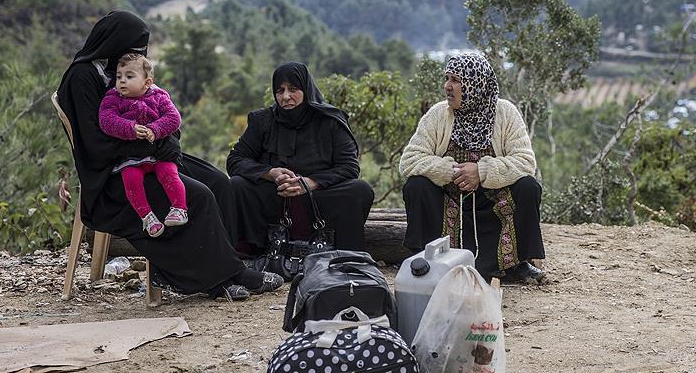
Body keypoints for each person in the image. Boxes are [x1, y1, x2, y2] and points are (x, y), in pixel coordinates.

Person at [56, 10, 282, 300]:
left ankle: (228, 267)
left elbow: (154, 108)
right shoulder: (82, 77)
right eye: (134, 49)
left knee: (218, 182)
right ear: (115, 42)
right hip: (113, 175)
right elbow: (95, 142)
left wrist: (167, 139)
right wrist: (150, 146)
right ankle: (217, 279)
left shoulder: (113, 69)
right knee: (198, 195)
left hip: (148, 154)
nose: (138, 56)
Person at [399, 53, 547, 283]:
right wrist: (450, 171)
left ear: (475, 85)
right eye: (447, 79)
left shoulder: (506, 113)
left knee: (528, 186)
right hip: (450, 202)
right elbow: (409, 161)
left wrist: (481, 172)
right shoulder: (438, 114)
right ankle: (426, 261)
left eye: (455, 80)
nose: (447, 86)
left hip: (494, 203)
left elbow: (525, 162)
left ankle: (515, 265)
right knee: (416, 186)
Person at [227, 62, 374, 257]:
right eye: (280, 91)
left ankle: (345, 256)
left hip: (319, 196)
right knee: (237, 185)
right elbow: (236, 159)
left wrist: (309, 183)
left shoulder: (330, 121)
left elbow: (349, 167)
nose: (285, 97)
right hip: (275, 195)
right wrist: (271, 174)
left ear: (306, 89)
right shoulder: (262, 121)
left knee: (359, 190)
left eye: (293, 89)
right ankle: (253, 251)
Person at [99, 53, 187, 238]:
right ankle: (147, 217)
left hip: (159, 154)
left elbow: (174, 118)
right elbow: (106, 120)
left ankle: (179, 208)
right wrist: (129, 128)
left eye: (129, 76)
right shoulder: (113, 98)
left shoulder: (159, 96)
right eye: (119, 76)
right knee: (131, 179)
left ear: (147, 83)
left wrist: (155, 129)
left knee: (169, 174)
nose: (122, 81)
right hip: (131, 157)